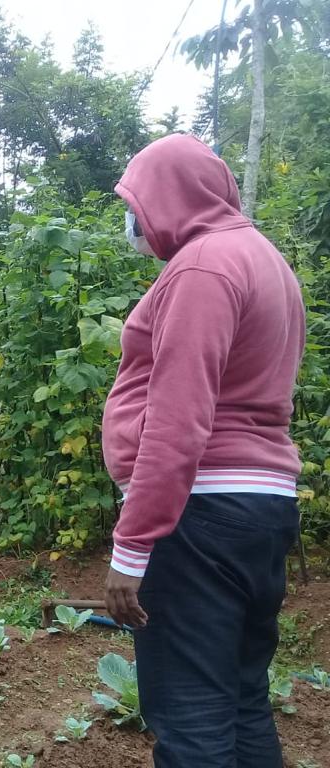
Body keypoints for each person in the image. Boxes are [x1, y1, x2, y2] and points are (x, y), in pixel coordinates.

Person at [101, 133, 304, 767]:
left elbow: (178, 417)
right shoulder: (264, 259)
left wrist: (133, 547)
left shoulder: (203, 266)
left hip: (200, 513)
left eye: (135, 203)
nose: (134, 222)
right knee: (241, 700)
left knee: (190, 713)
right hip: (259, 507)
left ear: (166, 196)